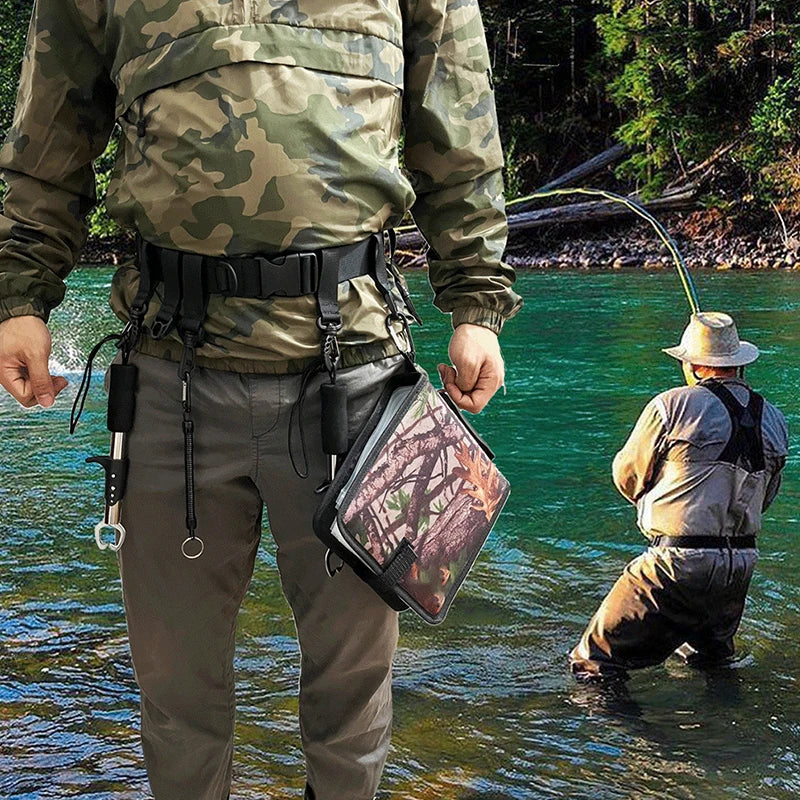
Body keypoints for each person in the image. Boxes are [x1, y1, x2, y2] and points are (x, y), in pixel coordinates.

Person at [0, 1, 522, 798]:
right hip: (169, 370)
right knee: (176, 696)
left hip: (357, 381)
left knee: (352, 700)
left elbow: (460, 125)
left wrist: (477, 304)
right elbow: (50, 130)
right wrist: (21, 296)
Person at [569, 311, 788, 681]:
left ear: (692, 366)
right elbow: (766, 498)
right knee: (710, 663)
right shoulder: (776, 419)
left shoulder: (671, 406)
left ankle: (635, 724)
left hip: (676, 564)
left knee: (593, 663)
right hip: (739, 567)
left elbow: (628, 476)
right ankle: (727, 717)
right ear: (739, 365)